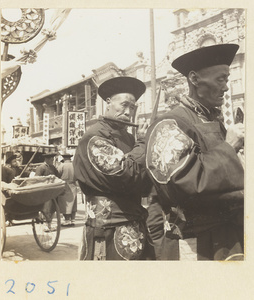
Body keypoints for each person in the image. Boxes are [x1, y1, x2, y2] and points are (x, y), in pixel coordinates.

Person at [145, 44, 244, 261]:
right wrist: (229, 148)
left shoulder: (212, 120)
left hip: (228, 236)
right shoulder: (170, 123)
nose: (226, 88)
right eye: (221, 80)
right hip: (197, 243)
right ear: (194, 79)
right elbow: (180, 181)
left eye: (227, 80)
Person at [73, 76, 155, 260]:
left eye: (132, 107)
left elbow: (143, 181)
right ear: (108, 102)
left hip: (134, 223)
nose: (128, 111)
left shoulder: (128, 137)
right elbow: (125, 174)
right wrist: (142, 142)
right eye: (124, 105)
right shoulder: (94, 136)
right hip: (109, 229)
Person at [35, 153, 60, 231]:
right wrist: (46, 178)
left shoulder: (52, 167)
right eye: (51, 160)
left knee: (52, 208)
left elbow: (58, 176)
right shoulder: (41, 168)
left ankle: (49, 224)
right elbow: (37, 179)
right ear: (46, 159)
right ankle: (45, 225)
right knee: (46, 208)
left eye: (53, 160)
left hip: (52, 191)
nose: (52, 161)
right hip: (44, 191)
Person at [57, 153, 78, 227]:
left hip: (64, 185)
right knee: (73, 203)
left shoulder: (62, 165)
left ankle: (66, 220)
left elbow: (58, 174)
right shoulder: (74, 165)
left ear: (64, 158)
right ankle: (72, 220)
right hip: (73, 184)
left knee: (65, 203)